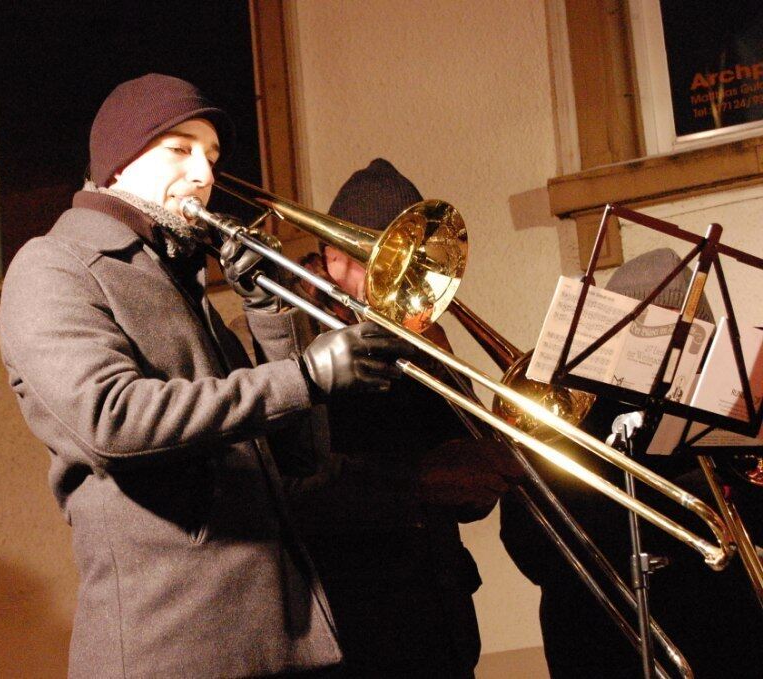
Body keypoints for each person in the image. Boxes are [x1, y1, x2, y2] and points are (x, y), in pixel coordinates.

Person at [0, 74, 418, 678]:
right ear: (117, 162)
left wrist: (269, 315)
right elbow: (110, 421)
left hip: (278, 638)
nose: (204, 174)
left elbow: (298, 461)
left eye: (212, 157)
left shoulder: (177, 285)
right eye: (179, 148)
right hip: (173, 643)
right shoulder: (53, 266)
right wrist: (305, 375)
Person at [277, 158, 524, 678]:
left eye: (409, 261)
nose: (397, 279)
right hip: (348, 619)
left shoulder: (419, 333)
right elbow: (292, 490)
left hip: (438, 614)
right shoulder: (288, 338)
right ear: (332, 255)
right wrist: (416, 484)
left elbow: (471, 491)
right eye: (381, 259)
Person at [499, 247, 763, 678]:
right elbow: (529, 546)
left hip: (722, 638)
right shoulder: (567, 420)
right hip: (599, 641)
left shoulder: (724, 415)